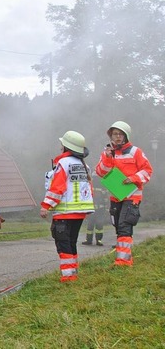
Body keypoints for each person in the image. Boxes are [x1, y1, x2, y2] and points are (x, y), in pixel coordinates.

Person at [95, 121, 152, 266]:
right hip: (116, 195)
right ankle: (125, 257)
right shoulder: (107, 153)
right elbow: (101, 173)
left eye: (120, 134)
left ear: (126, 136)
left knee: (125, 225)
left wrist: (132, 178)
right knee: (118, 227)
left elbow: (147, 171)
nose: (118, 137)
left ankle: (123, 261)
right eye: (115, 134)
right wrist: (107, 158)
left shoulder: (136, 152)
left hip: (132, 196)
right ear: (111, 136)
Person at [40, 131, 95, 282]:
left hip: (64, 213)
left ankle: (68, 276)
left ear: (66, 147)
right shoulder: (85, 166)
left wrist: (46, 206)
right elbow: (89, 189)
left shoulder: (63, 164)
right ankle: (73, 273)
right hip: (79, 213)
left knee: (63, 244)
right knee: (71, 242)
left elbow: (57, 188)